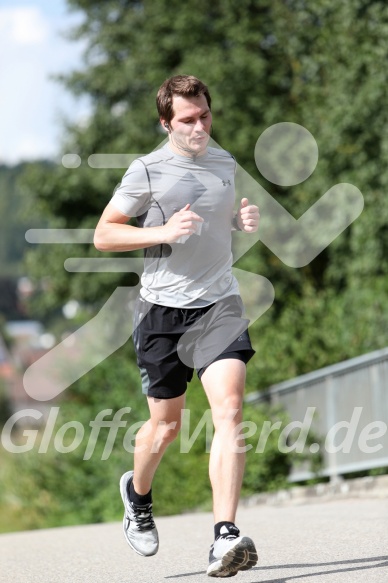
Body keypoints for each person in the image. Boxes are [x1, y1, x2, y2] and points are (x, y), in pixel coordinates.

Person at [94, 75, 260, 578]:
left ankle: (224, 536)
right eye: (187, 120)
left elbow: (215, 214)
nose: (199, 127)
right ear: (166, 122)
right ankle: (137, 494)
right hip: (162, 312)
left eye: (205, 115)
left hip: (218, 304)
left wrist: (239, 218)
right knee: (166, 427)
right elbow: (104, 234)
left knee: (229, 409)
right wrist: (162, 231)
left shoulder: (225, 162)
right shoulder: (147, 170)